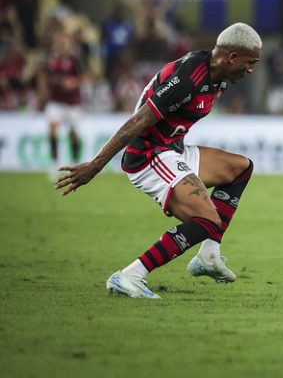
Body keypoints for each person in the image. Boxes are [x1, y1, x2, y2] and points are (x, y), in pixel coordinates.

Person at [54, 22, 262, 299]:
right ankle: (130, 275)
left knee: (241, 169)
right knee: (207, 219)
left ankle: (209, 256)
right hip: (148, 154)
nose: (251, 70)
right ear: (232, 57)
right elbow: (138, 120)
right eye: (250, 63)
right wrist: (95, 165)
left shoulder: (219, 75)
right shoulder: (188, 78)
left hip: (172, 148)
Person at [38, 29, 88, 181]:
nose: (61, 45)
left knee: (72, 133)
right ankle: (54, 163)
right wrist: (43, 90)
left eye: (64, 42)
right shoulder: (51, 60)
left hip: (72, 103)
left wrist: (74, 82)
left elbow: (86, 76)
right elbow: (43, 75)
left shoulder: (74, 60)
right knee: (52, 129)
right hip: (56, 101)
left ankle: (74, 163)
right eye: (59, 42)